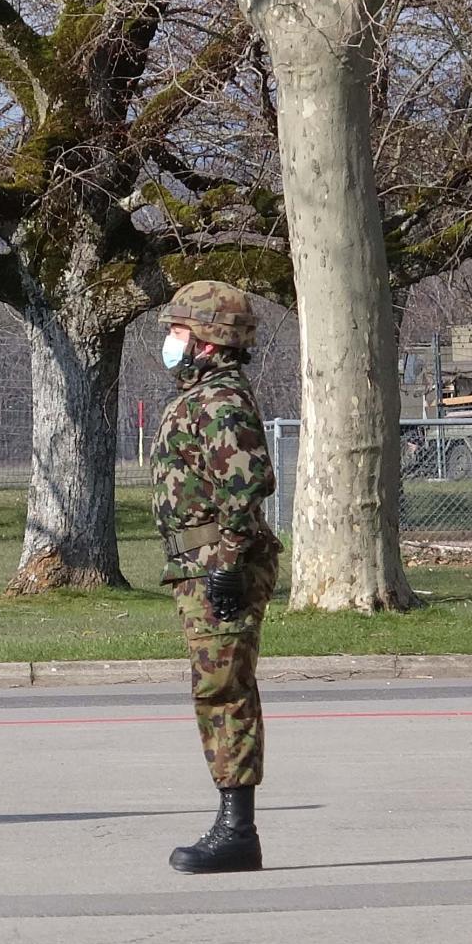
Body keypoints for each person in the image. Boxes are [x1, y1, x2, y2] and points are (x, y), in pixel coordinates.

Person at [149, 280, 282, 874]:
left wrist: (227, 561)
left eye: (180, 331)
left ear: (206, 341)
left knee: (223, 690)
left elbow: (247, 485)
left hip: (218, 568)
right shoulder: (201, 394)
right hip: (199, 566)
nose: (172, 341)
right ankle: (235, 825)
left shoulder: (219, 400)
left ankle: (237, 831)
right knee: (217, 689)